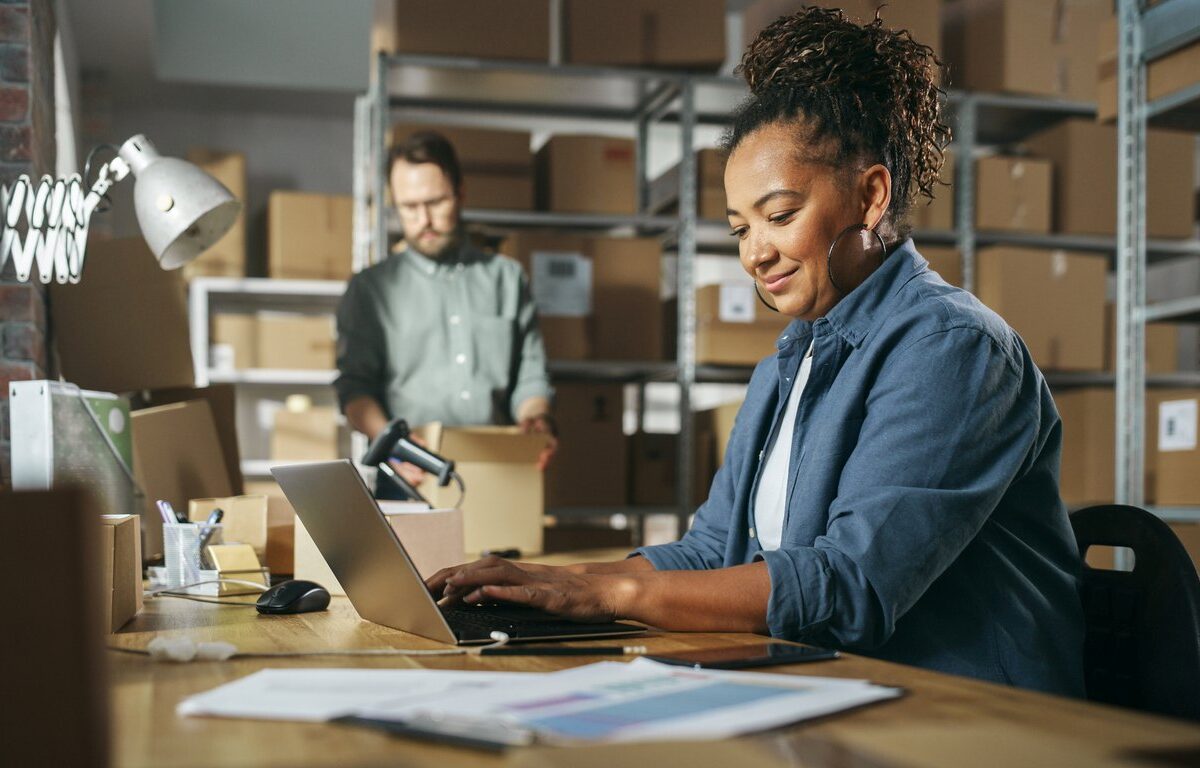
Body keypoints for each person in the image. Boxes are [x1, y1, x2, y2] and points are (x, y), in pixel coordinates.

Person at [426, 7, 1086, 696]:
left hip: (974, 717)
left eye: (779, 215)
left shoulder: (955, 350)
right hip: (844, 689)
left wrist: (608, 596)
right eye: (740, 229)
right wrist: (552, 581)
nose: (754, 253)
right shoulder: (789, 361)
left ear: (870, 194)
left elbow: (850, 586)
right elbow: (714, 550)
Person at [335, 131, 556, 496]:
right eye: (409, 207)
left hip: (498, 475)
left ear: (461, 194)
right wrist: (392, 442)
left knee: (505, 555)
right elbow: (354, 388)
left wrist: (536, 418)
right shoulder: (370, 289)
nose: (424, 220)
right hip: (409, 478)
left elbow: (531, 376)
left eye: (436, 202)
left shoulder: (507, 278)